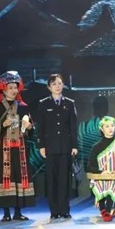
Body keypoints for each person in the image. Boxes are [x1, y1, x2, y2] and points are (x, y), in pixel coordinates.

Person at [0, 71, 36, 222]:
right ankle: (6, 212)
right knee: (5, 178)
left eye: (15, 87)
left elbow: (31, 128)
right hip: (4, 150)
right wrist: (2, 125)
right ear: (4, 90)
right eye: (11, 88)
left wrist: (29, 126)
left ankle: (18, 212)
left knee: (19, 177)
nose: (14, 90)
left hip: (20, 149)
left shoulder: (23, 107)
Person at [35, 74, 78, 220]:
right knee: (52, 180)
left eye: (59, 83)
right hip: (50, 148)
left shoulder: (69, 103)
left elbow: (73, 126)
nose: (57, 86)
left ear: (63, 85)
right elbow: (40, 127)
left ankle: (65, 209)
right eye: (54, 84)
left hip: (65, 148)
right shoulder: (43, 103)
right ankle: (54, 211)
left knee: (64, 180)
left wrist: (74, 145)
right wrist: (41, 145)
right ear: (49, 87)